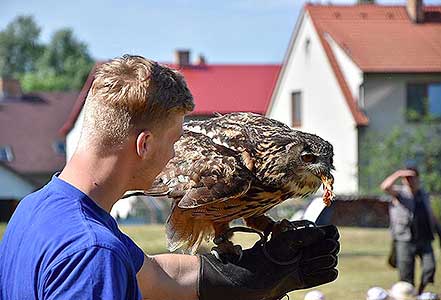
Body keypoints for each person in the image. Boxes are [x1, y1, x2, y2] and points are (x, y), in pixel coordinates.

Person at [0, 55, 339, 300]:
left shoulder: (36, 210)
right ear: (144, 145)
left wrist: (257, 272)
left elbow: (156, 279)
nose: (179, 154)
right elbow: (105, 265)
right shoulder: (94, 253)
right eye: (178, 142)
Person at [380, 164, 441, 294]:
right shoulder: (399, 193)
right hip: (404, 239)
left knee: (429, 268)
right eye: (406, 178)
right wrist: (399, 173)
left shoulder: (424, 194)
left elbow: (431, 216)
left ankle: (419, 292)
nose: (409, 181)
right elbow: (385, 187)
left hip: (425, 238)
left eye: (412, 177)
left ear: (418, 178)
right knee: (406, 277)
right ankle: (408, 294)